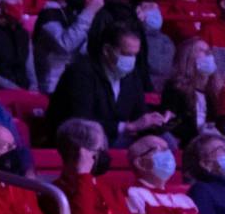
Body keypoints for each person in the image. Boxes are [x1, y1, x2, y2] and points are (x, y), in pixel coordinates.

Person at [44, 17, 162, 145]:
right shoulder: (80, 73)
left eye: (134, 55)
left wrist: (155, 121)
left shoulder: (132, 75)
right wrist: (127, 127)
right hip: (77, 143)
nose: (131, 60)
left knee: (163, 142)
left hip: (114, 139)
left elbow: (139, 114)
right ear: (106, 50)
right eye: (126, 54)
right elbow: (81, 122)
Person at [58, 117, 136, 214]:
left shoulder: (108, 186)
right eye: (99, 150)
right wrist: (83, 174)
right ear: (80, 153)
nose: (103, 155)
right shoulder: (58, 191)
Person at [121, 131, 205, 214]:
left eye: (169, 150)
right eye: (161, 150)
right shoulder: (133, 194)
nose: (169, 155)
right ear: (140, 162)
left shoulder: (185, 200)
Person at [31, 0, 96, 95]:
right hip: (53, 87)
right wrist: (89, 12)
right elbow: (65, 45)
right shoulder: (48, 15)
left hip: (76, 82)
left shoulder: (75, 15)